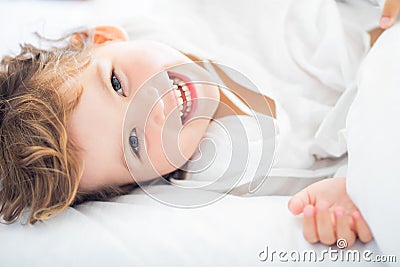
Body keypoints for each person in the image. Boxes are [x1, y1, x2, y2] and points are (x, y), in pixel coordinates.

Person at [0, 0, 395, 247]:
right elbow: (354, 160)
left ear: (102, 38)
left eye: (117, 84)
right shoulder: (229, 166)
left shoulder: (165, 13)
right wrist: (342, 193)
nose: (153, 108)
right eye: (134, 143)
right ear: (136, 184)